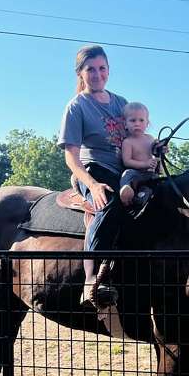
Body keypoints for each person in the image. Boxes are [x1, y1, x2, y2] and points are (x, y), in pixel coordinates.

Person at [57, 45, 127, 308]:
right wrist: (93, 185)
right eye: (91, 69)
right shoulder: (77, 107)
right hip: (94, 170)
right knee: (108, 203)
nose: (97, 74)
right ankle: (91, 279)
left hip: (124, 170)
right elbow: (71, 158)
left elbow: (135, 134)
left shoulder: (121, 102)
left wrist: (152, 148)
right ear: (80, 74)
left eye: (102, 68)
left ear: (108, 70)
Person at [119, 102, 160, 207]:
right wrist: (145, 164)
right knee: (127, 173)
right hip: (136, 174)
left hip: (150, 173)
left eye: (141, 120)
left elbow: (156, 152)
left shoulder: (150, 138)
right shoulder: (128, 142)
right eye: (132, 120)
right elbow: (127, 161)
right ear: (125, 124)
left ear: (147, 123)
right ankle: (126, 191)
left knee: (154, 183)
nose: (137, 123)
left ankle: (142, 195)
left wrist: (161, 149)